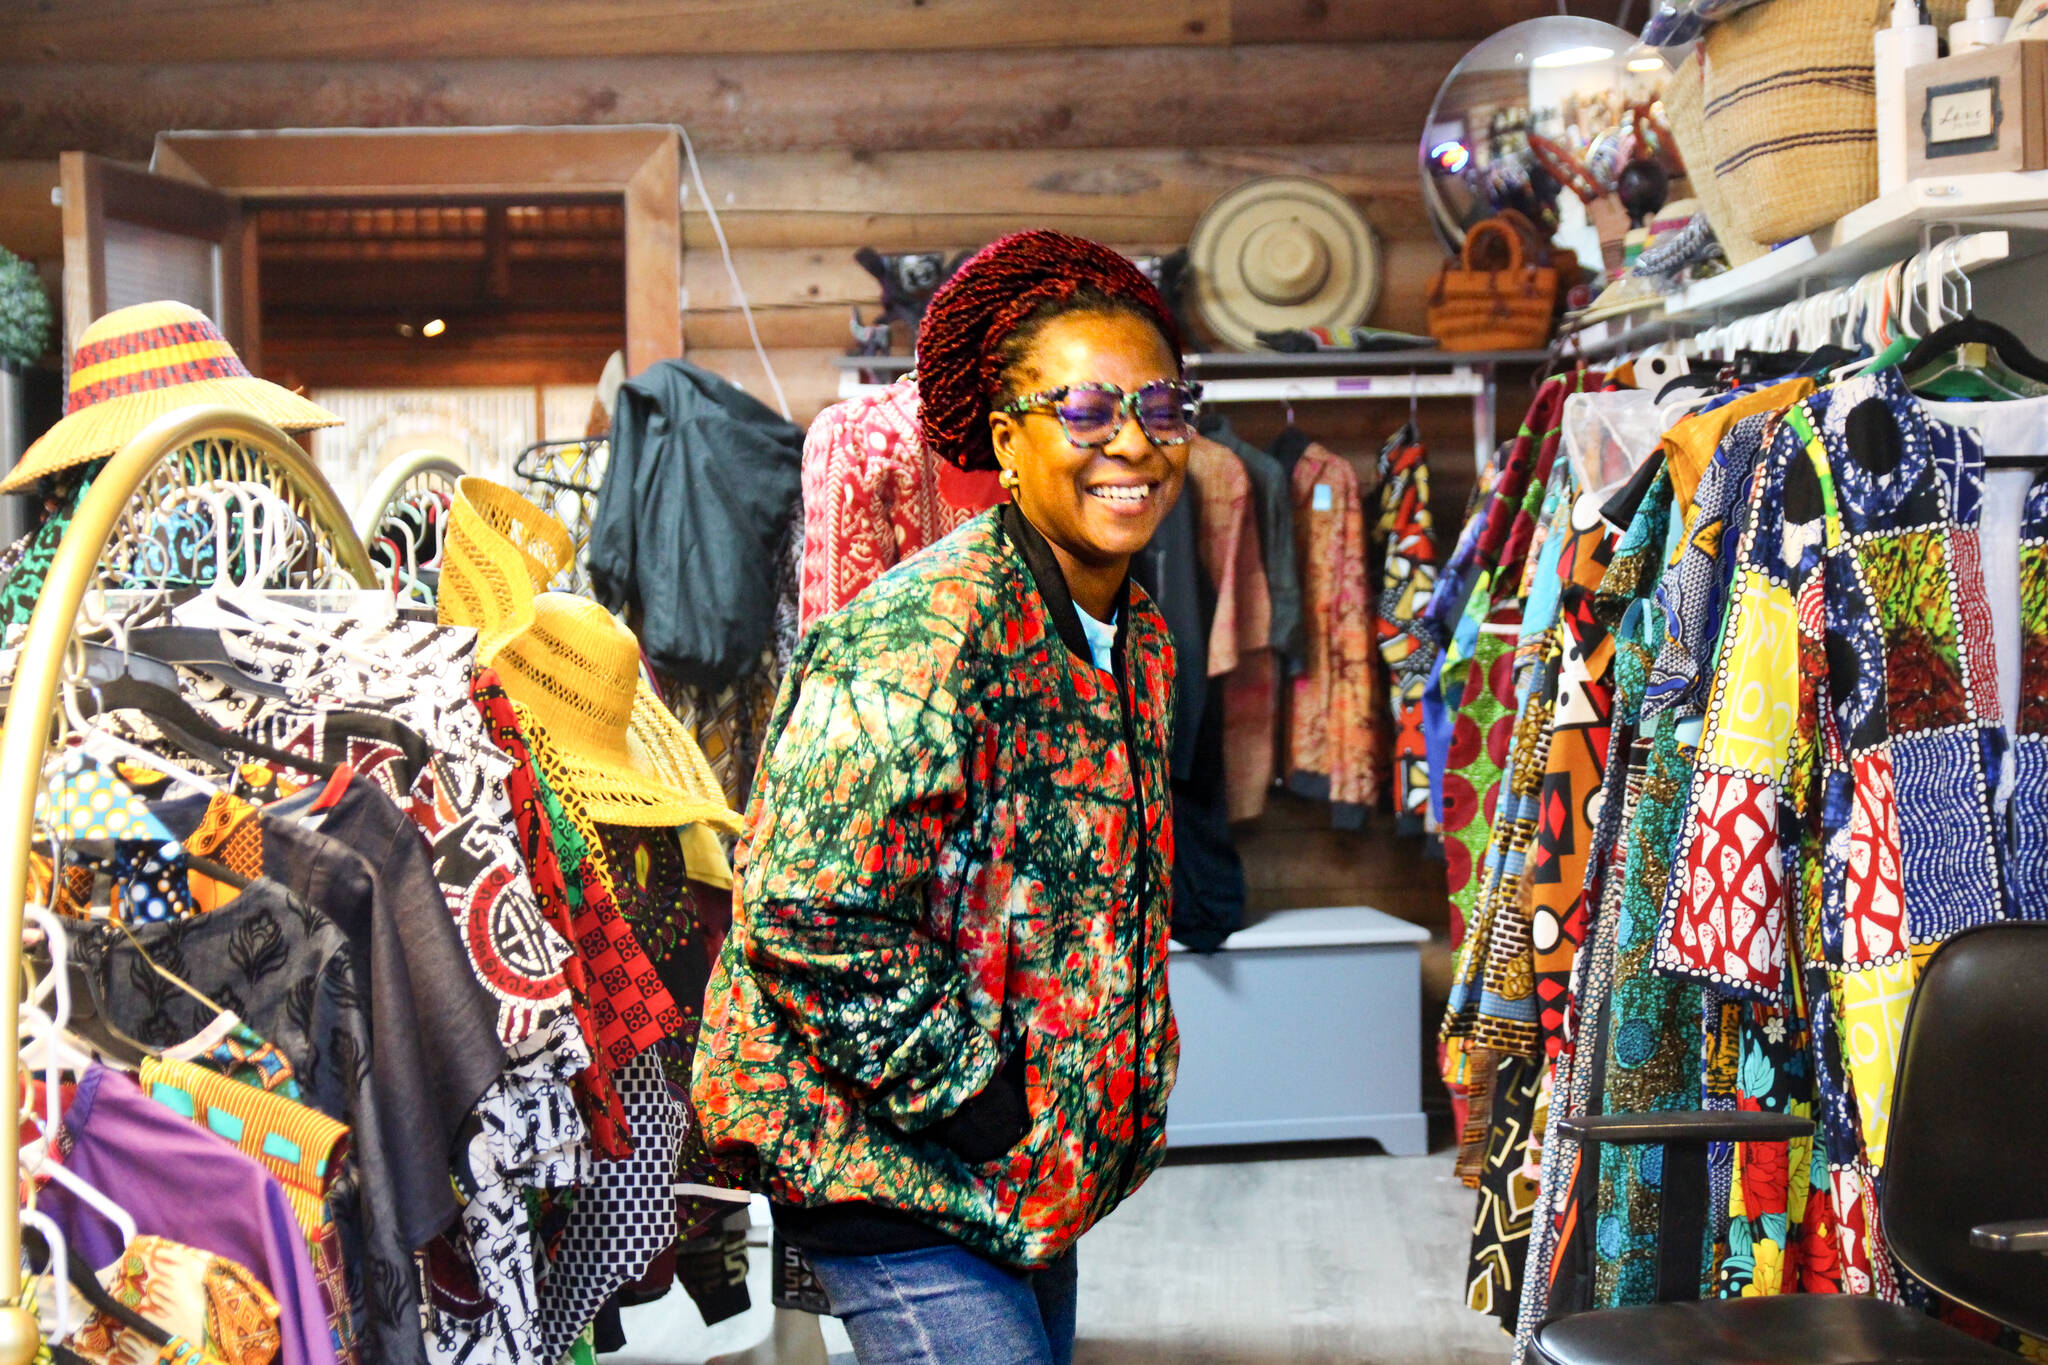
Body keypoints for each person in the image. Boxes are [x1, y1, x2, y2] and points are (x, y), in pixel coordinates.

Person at [692, 230, 1193, 1365]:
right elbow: (802, 917)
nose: (1132, 443)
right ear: (1007, 440)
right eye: (1085, 411)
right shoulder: (915, 637)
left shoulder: (1135, 637)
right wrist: (981, 1095)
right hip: (891, 1164)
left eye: (1159, 410)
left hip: (1026, 1171)